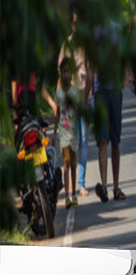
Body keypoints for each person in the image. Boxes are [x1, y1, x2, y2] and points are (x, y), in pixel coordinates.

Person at [91, 27, 126, 203]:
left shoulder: (115, 28)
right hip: (100, 91)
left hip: (114, 90)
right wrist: (86, 96)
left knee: (115, 141)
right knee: (102, 141)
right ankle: (104, 186)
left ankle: (116, 187)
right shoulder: (93, 32)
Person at [58, 12, 90, 197]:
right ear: (72, 26)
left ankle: (81, 183)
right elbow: (60, 69)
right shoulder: (67, 45)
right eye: (76, 24)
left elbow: (90, 69)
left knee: (84, 140)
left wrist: (88, 96)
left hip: (84, 97)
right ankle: (70, 183)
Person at [55, 58, 80, 208]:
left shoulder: (74, 91)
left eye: (68, 72)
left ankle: (74, 194)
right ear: (61, 74)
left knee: (73, 165)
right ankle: (66, 197)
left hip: (73, 133)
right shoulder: (58, 93)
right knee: (66, 163)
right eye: (64, 72)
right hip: (63, 133)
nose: (66, 75)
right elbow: (57, 113)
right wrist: (54, 133)